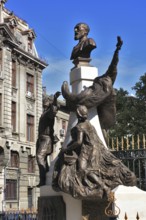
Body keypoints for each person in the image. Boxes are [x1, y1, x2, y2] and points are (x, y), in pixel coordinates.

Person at [52, 105, 137, 199]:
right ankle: (102, 185)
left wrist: (67, 149)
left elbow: (79, 142)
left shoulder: (80, 126)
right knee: (93, 169)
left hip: (87, 150)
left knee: (83, 169)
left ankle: (103, 186)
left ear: (78, 114)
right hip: (97, 149)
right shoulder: (89, 124)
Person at [36, 91, 61, 187]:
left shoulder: (49, 113)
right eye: (44, 100)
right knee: (42, 159)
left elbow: (54, 110)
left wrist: (55, 98)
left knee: (39, 157)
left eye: (47, 100)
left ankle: (43, 179)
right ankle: (45, 176)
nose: (44, 100)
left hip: (46, 139)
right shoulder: (43, 113)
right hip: (40, 138)